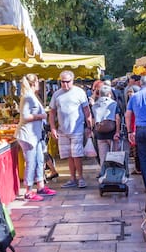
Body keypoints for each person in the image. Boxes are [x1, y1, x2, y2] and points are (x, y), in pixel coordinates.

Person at [48, 70, 93, 188]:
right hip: (63, 130)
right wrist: (53, 128)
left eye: (67, 82)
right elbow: (52, 113)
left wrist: (89, 126)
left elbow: (86, 110)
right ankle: (72, 178)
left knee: (77, 155)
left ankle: (81, 177)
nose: (65, 84)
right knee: (69, 155)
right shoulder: (56, 94)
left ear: (72, 81)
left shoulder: (79, 93)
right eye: (62, 82)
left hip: (77, 129)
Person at [16, 74, 57, 202]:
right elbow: (25, 117)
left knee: (40, 160)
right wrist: (41, 116)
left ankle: (41, 186)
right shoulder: (27, 97)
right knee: (31, 162)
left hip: (35, 135)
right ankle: (28, 191)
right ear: (34, 83)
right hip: (28, 135)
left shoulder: (32, 96)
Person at [125, 75, 146, 190]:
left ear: (140, 84)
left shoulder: (134, 97)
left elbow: (128, 115)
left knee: (143, 157)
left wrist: (129, 131)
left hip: (140, 129)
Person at [91, 84, 122, 168]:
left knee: (103, 157)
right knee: (115, 157)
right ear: (109, 94)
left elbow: (93, 120)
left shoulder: (95, 105)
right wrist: (117, 132)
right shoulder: (114, 103)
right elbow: (117, 118)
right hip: (112, 133)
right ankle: (114, 174)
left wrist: (92, 131)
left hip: (100, 134)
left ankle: (104, 174)